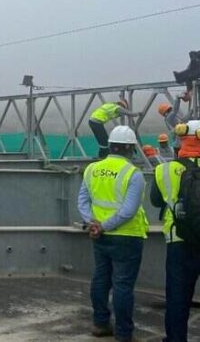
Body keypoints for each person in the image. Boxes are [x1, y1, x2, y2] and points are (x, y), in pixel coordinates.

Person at [78, 125, 148, 342]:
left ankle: (100, 323)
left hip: (99, 236)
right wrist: (104, 226)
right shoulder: (132, 174)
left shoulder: (92, 169)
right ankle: (124, 333)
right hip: (127, 236)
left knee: (101, 278)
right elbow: (128, 211)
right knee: (123, 285)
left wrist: (93, 224)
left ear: (110, 146)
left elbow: (82, 201)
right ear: (130, 148)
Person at [150, 122, 200, 342]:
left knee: (178, 297)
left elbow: (154, 201)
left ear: (181, 140)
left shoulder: (164, 170)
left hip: (178, 241)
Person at [158, 92, 191, 157]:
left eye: (170, 109)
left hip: (180, 143)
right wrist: (177, 98)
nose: (171, 110)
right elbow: (175, 110)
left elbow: (185, 119)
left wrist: (191, 111)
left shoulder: (174, 119)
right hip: (179, 144)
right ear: (165, 112)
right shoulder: (169, 118)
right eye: (169, 110)